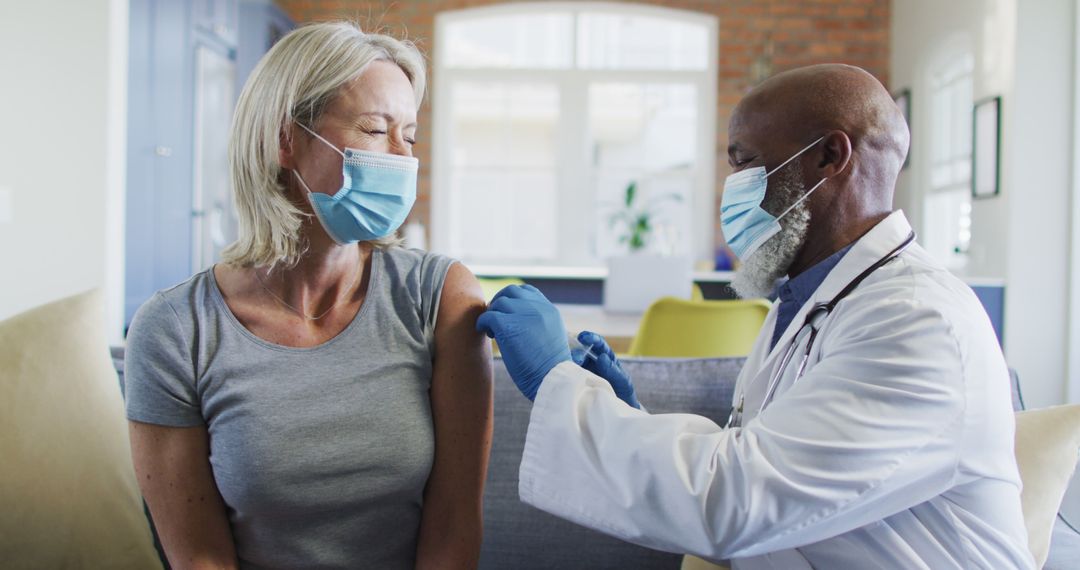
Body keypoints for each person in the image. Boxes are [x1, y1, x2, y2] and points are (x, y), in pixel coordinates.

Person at [477, 64, 1034, 569]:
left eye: (744, 160)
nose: (732, 187)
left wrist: (557, 378)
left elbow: (733, 502)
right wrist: (630, 415)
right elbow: (765, 460)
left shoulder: (916, 321)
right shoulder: (812, 299)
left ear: (829, 157)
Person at [125, 22, 493, 569]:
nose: (401, 158)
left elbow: (454, 529)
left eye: (409, 136)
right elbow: (200, 556)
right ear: (285, 140)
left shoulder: (440, 297)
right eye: (374, 129)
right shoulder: (176, 329)